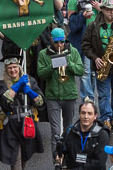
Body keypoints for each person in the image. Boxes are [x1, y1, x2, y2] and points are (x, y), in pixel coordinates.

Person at [37, 28, 84, 163]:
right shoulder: (43, 54)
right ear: (51, 40)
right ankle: (56, 161)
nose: (60, 45)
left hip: (69, 95)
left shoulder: (73, 51)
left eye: (62, 42)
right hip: (52, 96)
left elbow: (80, 70)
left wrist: (69, 63)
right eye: (57, 42)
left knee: (69, 130)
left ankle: (67, 159)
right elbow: (41, 74)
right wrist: (52, 65)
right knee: (55, 132)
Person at [83, 0, 113, 132]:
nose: (112, 13)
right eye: (108, 10)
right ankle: (105, 118)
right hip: (101, 65)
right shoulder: (93, 25)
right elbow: (85, 45)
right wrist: (95, 58)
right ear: (102, 10)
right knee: (103, 95)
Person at [0, 56, 45, 169]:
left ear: (19, 67)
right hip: (11, 126)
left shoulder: (29, 81)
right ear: (5, 70)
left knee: (25, 157)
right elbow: (4, 102)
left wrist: (31, 92)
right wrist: (17, 86)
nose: (13, 70)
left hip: (27, 123)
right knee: (15, 160)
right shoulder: (1, 84)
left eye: (15, 67)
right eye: (9, 68)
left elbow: (40, 103)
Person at [67, 0, 108, 102]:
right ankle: (88, 98)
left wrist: (100, 8)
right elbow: (71, 21)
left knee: (95, 71)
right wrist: (82, 16)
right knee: (85, 71)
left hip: (99, 39)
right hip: (82, 39)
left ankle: (92, 97)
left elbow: (111, 16)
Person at [56, 101, 109, 170]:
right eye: (83, 113)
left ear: (95, 116)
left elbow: (99, 163)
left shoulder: (102, 135)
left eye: (89, 114)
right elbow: (62, 150)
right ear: (79, 114)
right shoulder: (69, 132)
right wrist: (59, 155)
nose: (86, 116)